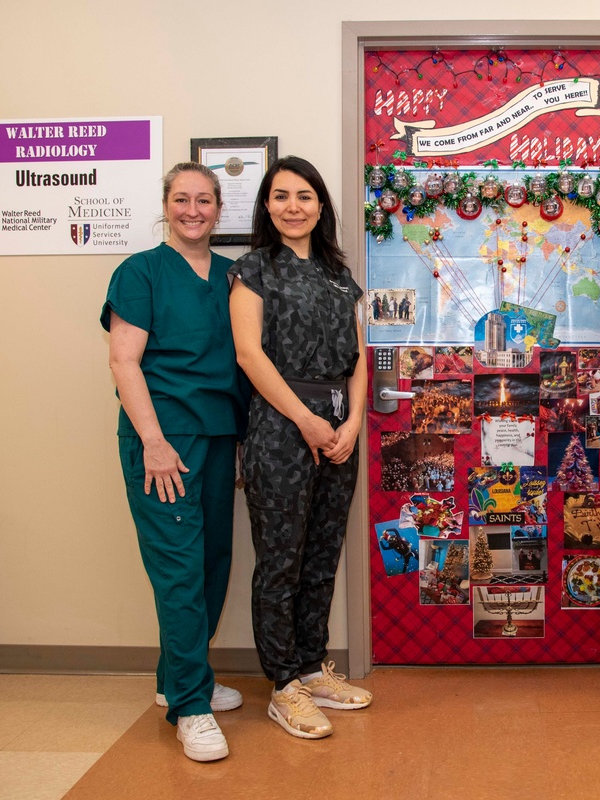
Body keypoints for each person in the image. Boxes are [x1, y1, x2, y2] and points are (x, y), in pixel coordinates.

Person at [102, 162, 249, 762]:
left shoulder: (232, 277)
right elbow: (123, 361)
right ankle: (190, 706)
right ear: (166, 204)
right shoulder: (140, 272)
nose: (194, 209)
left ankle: (177, 680)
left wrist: (238, 442)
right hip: (163, 438)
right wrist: (155, 443)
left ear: (219, 208)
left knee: (213, 560)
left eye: (205, 200)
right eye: (183, 199)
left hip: (218, 435)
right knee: (179, 570)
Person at [229, 156, 372, 741]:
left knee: (320, 555)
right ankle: (283, 684)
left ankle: (313, 670)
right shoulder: (251, 270)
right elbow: (249, 356)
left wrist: (353, 423)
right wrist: (306, 421)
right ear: (266, 205)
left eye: (305, 196)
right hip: (281, 429)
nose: (294, 206)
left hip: (340, 430)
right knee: (281, 559)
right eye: (282, 196)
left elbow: (360, 359)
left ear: (321, 206)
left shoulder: (341, 275)